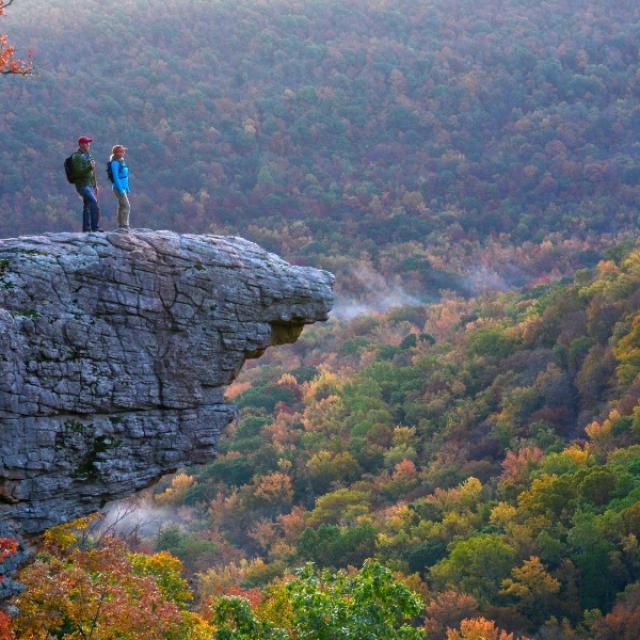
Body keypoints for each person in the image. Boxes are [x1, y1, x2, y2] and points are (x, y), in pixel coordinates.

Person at [70, 136, 102, 232]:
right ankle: (95, 228)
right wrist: (90, 167)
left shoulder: (88, 154)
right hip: (82, 185)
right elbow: (78, 172)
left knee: (87, 206)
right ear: (81, 144)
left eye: (89, 143)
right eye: (86, 143)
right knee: (94, 203)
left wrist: (95, 185)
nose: (88, 144)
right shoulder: (76, 157)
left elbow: (92, 172)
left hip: (89, 185)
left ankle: (86, 229)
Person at [109, 144, 131, 231]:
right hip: (118, 187)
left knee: (122, 205)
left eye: (124, 151)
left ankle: (121, 225)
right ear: (116, 153)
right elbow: (116, 177)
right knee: (126, 206)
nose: (123, 153)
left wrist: (127, 187)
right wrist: (120, 189)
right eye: (122, 151)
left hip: (123, 186)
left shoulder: (121, 161)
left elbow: (125, 176)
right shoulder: (114, 163)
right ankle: (124, 225)